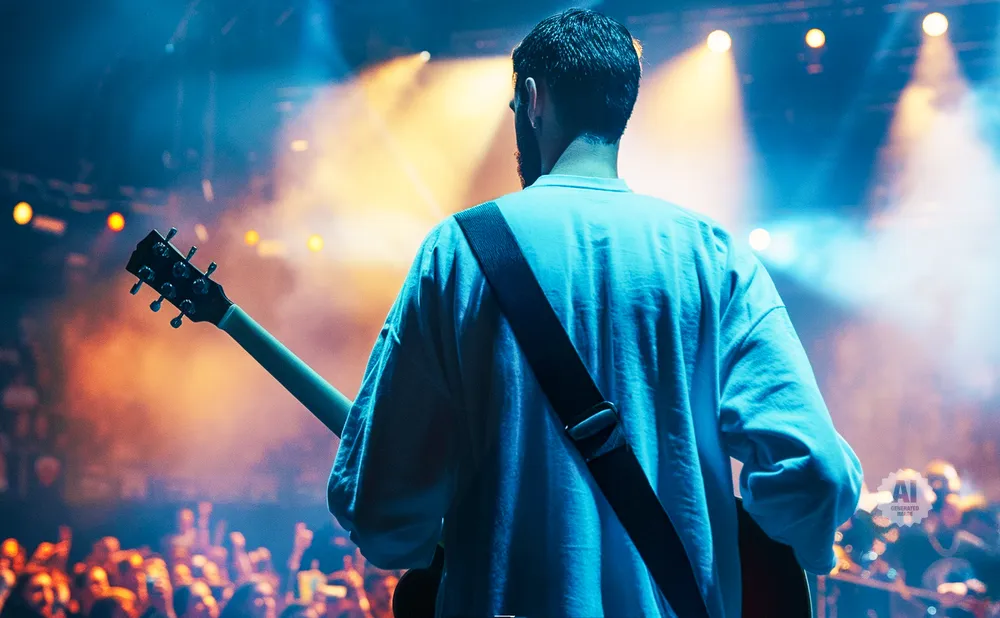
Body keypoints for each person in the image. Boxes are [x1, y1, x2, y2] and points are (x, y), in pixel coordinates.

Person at [327, 7, 863, 617]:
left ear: (532, 99)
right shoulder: (715, 258)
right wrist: (776, 545)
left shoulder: (457, 253)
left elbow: (381, 512)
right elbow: (816, 470)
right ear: (622, 107)